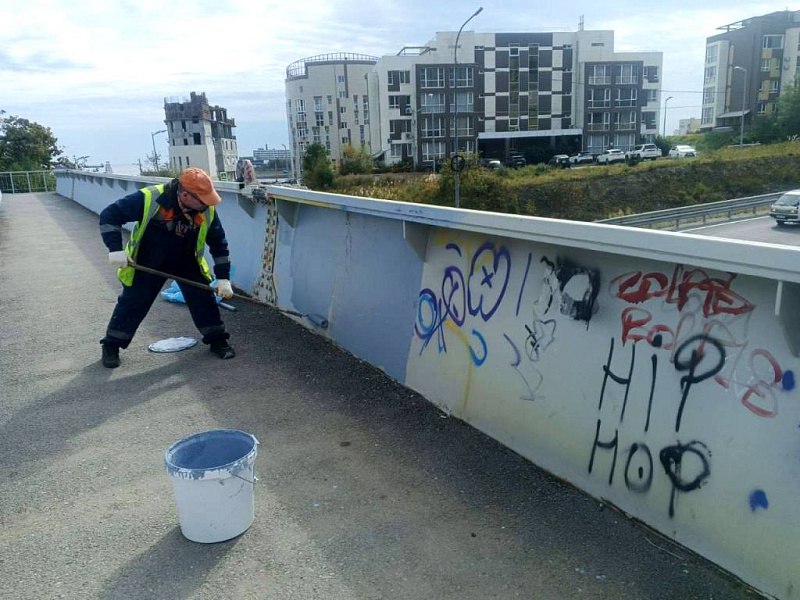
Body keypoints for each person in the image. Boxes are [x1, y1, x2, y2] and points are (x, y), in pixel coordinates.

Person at [98, 167, 235, 368]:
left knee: (202, 298)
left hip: (187, 260)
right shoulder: (150, 198)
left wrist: (223, 278)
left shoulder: (206, 209)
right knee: (133, 302)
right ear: (185, 194)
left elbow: (219, 243)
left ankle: (217, 340)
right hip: (148, 260)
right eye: (202, 200)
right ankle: (112, 345)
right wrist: (115, 249)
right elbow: (109, 215)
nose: (206, 204)